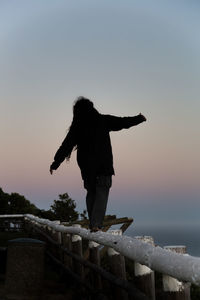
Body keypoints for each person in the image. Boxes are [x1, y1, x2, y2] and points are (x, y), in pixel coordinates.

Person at [50, 97, 146, 232]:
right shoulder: (102, 120)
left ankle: (93, 224)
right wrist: (139, 118)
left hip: (87, 169)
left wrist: (55, 163)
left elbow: (66, 146)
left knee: (91, 194)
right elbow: (122, 122)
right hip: (103, 166)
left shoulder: (77, 127)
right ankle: (96, 225)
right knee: (101, 194)